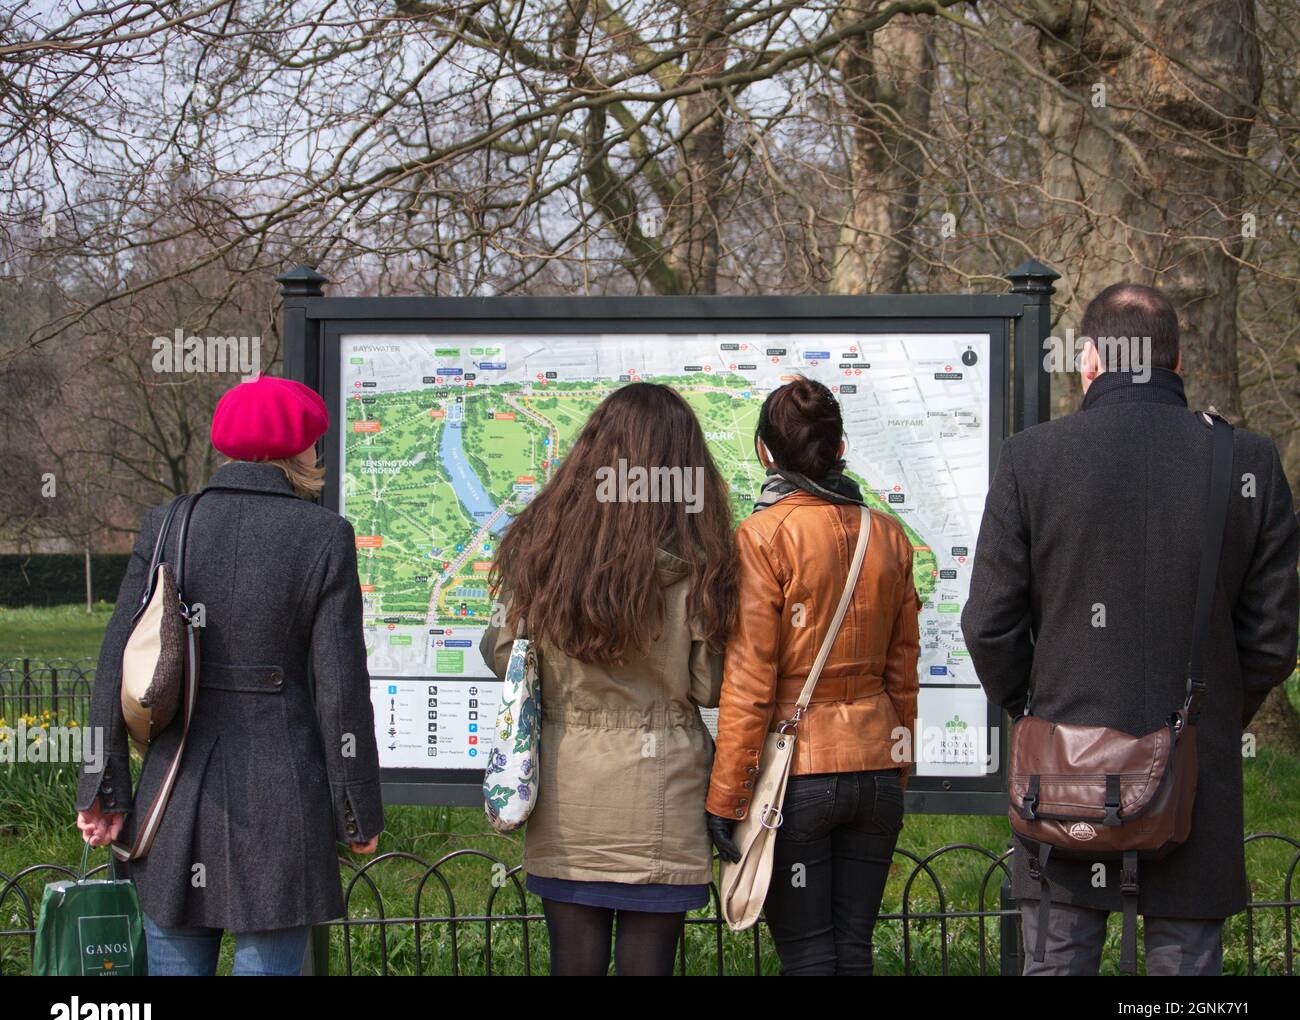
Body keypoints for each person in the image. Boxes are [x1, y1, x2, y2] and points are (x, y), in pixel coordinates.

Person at [962, 282, 1299, 976]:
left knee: (1057, 964)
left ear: (1089, 361)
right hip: (1192, 774)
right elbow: (1272, 640)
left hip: (1062, 775)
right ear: (1176, 364)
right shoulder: (1248, 463)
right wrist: (1204, 718)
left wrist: (1036, 708)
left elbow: (989, 624)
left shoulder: (1032, 458)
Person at [76, 375, 384, 976]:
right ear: (298, 450)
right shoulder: (324, 536)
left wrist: (103, 788)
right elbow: (342, 692)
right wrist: (357, 811)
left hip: (174, 790)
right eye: (314, 444)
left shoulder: (166, 524)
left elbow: (115, 664)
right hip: (283, 800)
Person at [480, 382, 737, 977]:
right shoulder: (702, 564)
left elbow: (504, 652)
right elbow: (710, 684)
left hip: (568, 797)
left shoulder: (540, 550)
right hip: (663, 796)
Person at [706, 376, 920, 976]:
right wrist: (896, 766)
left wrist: (726, 798)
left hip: (798, 779)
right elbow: (904, 674)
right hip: (875, 768)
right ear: (840, 445)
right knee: (853, 950)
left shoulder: (761, 536)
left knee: (806, 955)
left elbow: (750, 681)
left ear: (764, 452)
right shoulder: (890, 535)